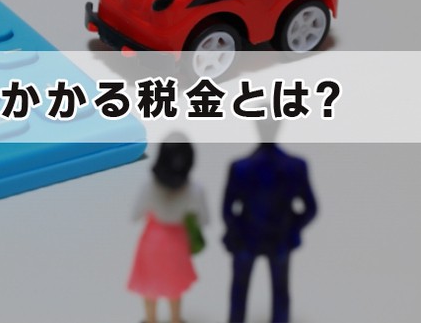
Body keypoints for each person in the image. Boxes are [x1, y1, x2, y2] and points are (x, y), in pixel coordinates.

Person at [223, 114, 317, 323]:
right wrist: (291, 227)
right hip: (276, 239)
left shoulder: (241, 167)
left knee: (242, 291)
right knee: (278, 291)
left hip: (250, 238)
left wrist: (237, 229)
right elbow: (310, 208)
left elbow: (227, 211)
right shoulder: (294, 166)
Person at [128, 133, 209, 323]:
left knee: (149, 285)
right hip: (177, 241)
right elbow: (204, 219)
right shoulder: (194, 190)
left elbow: (135, 215)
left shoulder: (149, 187)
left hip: (152, 241)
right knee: (175, 285)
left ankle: (150, 319)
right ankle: (175, 319)